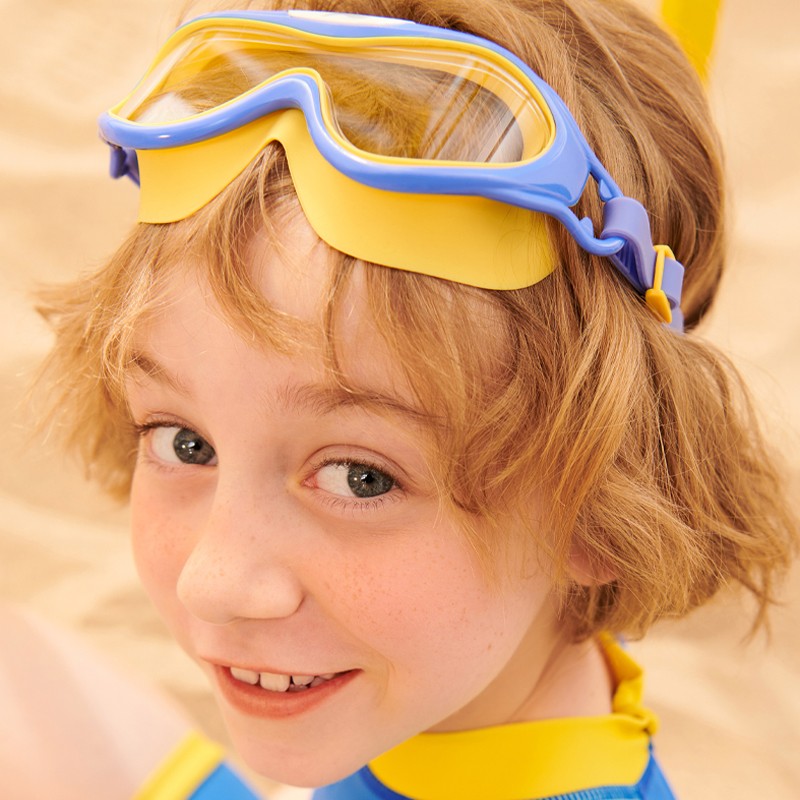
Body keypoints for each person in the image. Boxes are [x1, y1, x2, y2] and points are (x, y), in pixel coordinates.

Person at [34, 0, 797, 798]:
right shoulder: (462, 685)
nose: (213, 583)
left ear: (602, 506)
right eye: (184, 442)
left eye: (360, 477)